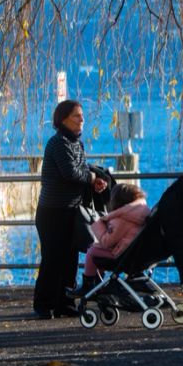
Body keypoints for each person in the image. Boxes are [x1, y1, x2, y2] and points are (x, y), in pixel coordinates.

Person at [33, 99, 109, 319]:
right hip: (52, 212)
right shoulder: (57, 143)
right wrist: (93, 176)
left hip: (72, 211)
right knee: (51, 258)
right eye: (77, 116)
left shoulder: (77, 144)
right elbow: (71, 173)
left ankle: (64, 303)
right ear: (63, 119)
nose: (82, 120)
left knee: (69, 259)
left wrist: (94, 182)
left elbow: (82, 170)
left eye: (82, 116)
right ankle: (43, 304)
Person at [69, 183, 149, 298]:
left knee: (92, 252)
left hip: (123, 255)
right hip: (132, 252)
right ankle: (97, 283)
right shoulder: (139, 213)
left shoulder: (122, 219)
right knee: (97, 249)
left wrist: (99, 226)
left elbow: (107, 242)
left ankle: (88, 286)